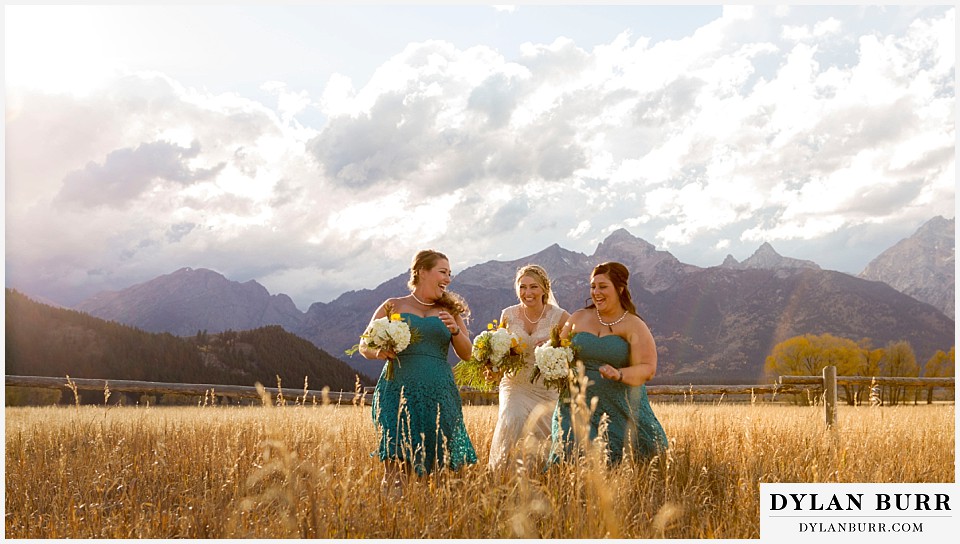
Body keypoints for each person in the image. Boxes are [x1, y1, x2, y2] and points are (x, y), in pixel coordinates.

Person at [359, 250, 478, 491]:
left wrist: (455, 330)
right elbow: (364, 345)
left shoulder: (450, 310)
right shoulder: (393, 305)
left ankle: (439, 516)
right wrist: (378, 352)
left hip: (439, 392)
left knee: (442, 457)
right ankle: (394, 517)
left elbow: (467, 354)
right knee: (397, 458)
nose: (448, 279)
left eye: (449, 274)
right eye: (442, 272)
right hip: (397, 391)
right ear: (422, 272)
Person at [550, 261, 668, 465]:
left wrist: (619, 374)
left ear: (620, 289)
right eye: (593, 286)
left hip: (616, 405)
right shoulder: (578, 317)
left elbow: (648, 368)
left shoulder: (634, 324)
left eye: (603, 286)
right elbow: (558, 353)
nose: (596, 292)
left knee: (618, 462)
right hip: (574, 403)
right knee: (571, 457)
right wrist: (549, 360)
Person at [487, 264, 570, 469]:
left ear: (544, 289)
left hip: (546, 387)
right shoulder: (508, 314)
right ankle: (505, 475)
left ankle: (540, 478)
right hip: (515, 383)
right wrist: (492, 369)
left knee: (545, 434)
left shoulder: (560, 317)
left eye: (533, 287)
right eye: (522, 287)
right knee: (513, 417)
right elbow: (500, 351)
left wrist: (555, 354)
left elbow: (571, 353)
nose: (528, 293)